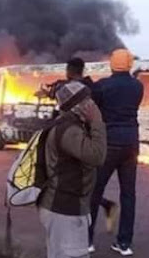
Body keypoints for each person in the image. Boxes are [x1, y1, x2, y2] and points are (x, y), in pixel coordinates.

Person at [38, 80, 111, 258]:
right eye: (89, 101)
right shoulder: (69, 130)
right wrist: (98, 121)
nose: (93, 105)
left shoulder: (64, 125)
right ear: (79, 105)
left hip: (56, 209)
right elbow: (97, 155)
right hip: (66, 211)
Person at [42, 57, 120, 242]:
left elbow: (62, 97)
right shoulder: (91, 87)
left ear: (69, 70)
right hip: (86, 140)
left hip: (76, 143)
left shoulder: (73, 90)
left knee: (69, 183)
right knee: (84, 183)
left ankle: (83, 232)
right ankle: (102, 209)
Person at [89, 48, 144, 256]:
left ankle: (87, 240)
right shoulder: (138, 86)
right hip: (131, 144)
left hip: (109, 143)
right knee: (128, 194)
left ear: (112, 64)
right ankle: (124, 243)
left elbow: (94, 107)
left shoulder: (103, 86)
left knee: (95, 190)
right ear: (129, 64)